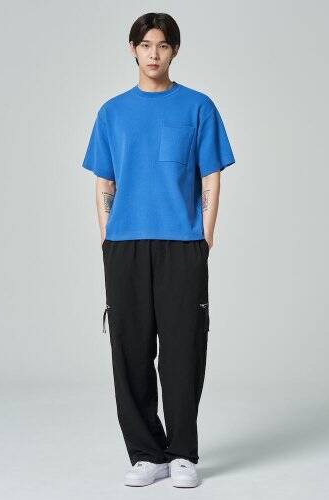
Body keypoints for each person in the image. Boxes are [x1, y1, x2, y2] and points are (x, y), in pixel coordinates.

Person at [82, 12, 235, 488]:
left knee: (183, 348)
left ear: (175, 51)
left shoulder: (198, 107)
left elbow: (211, 174)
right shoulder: (112, 113)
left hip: (182, 244)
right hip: (124, 244)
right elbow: (104, 181)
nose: (154, 54)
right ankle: (147, 454)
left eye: (163, 45)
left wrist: (205, 234)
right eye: (146, 45)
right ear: (132, 49)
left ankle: (182, 452)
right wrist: (107, 237)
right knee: (129, 349)